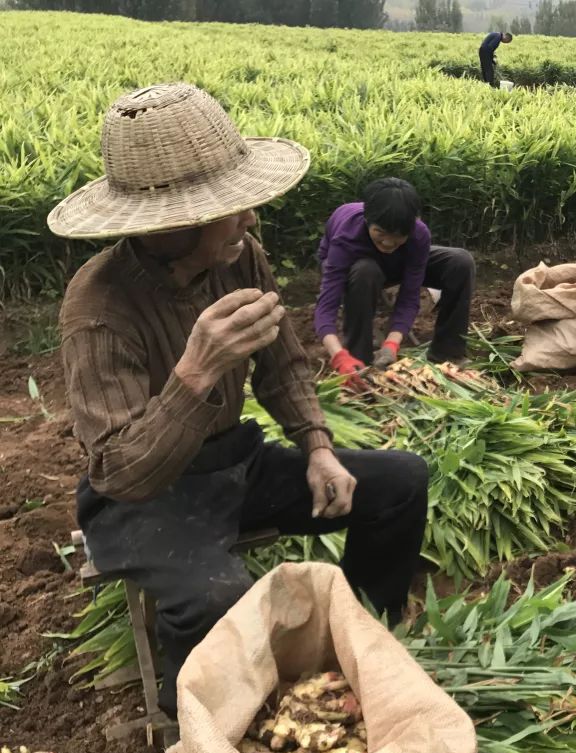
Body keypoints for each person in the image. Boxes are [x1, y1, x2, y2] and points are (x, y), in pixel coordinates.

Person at [49, 84, 428, 719]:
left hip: (234, 462)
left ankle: (361, 640)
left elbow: (281, 363)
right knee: (216, 597)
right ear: (174, 225)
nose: (251, 220)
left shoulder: (239, 255)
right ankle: (199, 717)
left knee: (398, 483)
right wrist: (194, 374)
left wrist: (317, 447)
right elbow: (118, 472)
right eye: (234, 209)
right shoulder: (99, 309)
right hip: (143, 500)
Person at [315, 178, 475, 378]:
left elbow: (409, 294)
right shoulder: (347, 236)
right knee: (366, 270)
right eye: (380, 232)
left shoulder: (418, 235)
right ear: (367, 220)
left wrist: (392, 343)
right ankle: (359, 362)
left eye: (399, 235)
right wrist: (338, 355)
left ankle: (447, 354)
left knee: (460, 261)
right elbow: (326, 306)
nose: (389, 242)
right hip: (356, 267)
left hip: (394, 264)